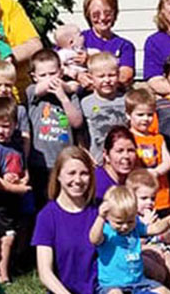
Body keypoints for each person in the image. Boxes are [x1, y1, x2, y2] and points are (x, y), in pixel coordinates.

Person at [33, 147, 100, 294]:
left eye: (84, 173)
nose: (78, 180)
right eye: (71, 173)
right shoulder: (47, 216)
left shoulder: (100, 211)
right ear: (58, 175)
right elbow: (45, 272)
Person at [0, 97, 33, 283]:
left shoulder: (16, 144)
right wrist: (12, 185)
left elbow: (22, 166)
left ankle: (12, 265)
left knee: (16, 233)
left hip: (15, 198)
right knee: (6, 236)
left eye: (5, 126)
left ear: (15, 124)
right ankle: (2, 274)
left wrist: (23, 178)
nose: (0, 131)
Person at [89, 186, 170, 294]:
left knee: (164, 291)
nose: (125, 226)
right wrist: (100, 218)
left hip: (138, 282)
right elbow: (94, 239)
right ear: (108, 217)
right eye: (119, 223)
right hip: (112, 285)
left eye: (130, 221)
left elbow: (154, 228)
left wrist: (167, 221)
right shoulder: (106, 231)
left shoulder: (135, 228)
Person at [26, 49, 84, 205]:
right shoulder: (33, 93)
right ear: (34, 77)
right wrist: (68, 86)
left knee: (63, 200)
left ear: (60, 72)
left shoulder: (69, 96)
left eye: (52, 73)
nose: (48, 79)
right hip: (40, 162)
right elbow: (40, 88)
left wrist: (64, 97)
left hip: (64, 160)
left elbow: (77, 122)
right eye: (42, 75)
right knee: (42, 202)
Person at [126, 88, 170, 213]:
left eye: (150, 114)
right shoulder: (127, 138)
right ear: (128, 114)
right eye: (140, 115)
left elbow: (167, 162)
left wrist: (156, 172)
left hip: (160, 196)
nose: (146, 119)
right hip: (138, 198)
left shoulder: (158, 138)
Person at [81, 0, 136, 88]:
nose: (102, 18)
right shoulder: (79, 40)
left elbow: (125, 77)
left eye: (107, 13)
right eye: (96, 15)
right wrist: (78, 75)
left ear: (115, 14)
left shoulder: (124, 46)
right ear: (88, 16)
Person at [81, 52, 128, 165]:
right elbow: (80, 135)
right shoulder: (85, 103)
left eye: (111, 75)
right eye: (101, 76)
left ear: (118, 75)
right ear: (91, 77)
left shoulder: (127, 100)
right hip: (97, 160)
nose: (107, 80)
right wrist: (86, 154)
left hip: (124, 159)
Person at [94, 126, 139, 200]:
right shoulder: (97, 184)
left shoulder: (134, 182)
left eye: (130, 150)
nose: (126, 156)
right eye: (120, 151)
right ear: (106, 155)